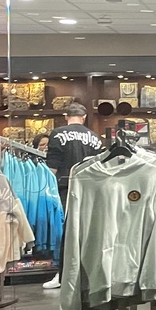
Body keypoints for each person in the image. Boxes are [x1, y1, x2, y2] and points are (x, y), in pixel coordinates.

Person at [42, 104, 103, 290]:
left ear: (66, 116)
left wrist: (46, 190)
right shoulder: (94, 137)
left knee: (67, 231)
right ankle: (88, 275)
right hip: (90, 189)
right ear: (84, 117)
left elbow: (52, 168)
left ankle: (63, 275)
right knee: (88, 232)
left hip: (64, 187)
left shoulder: (57, 134)